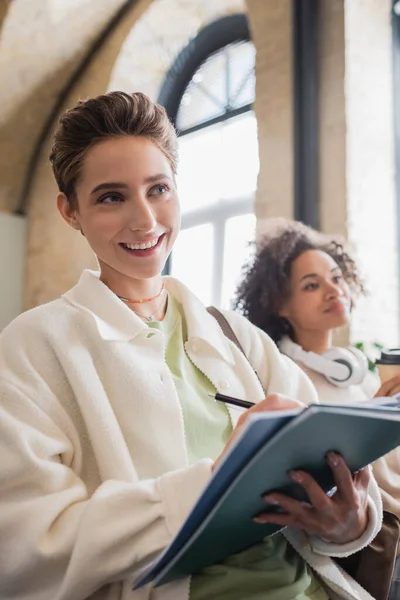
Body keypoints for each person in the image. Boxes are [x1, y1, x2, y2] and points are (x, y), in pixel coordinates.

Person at [0, 93, 382, 600]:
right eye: (111, 197)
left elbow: (348, 488)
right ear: (70, 211)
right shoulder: (35, 347)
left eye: (158, 189)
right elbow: (25, 549)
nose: (145, 220)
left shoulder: (234, 334)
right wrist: (214, 486)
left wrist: (347, 523)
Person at [234, 218, 400, 599]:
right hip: (364, 548)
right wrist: (376, 426)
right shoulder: (285, 380)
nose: (332, 290)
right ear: (280, 304)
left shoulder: (358, 376)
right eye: (312, 285)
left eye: (336, 278)